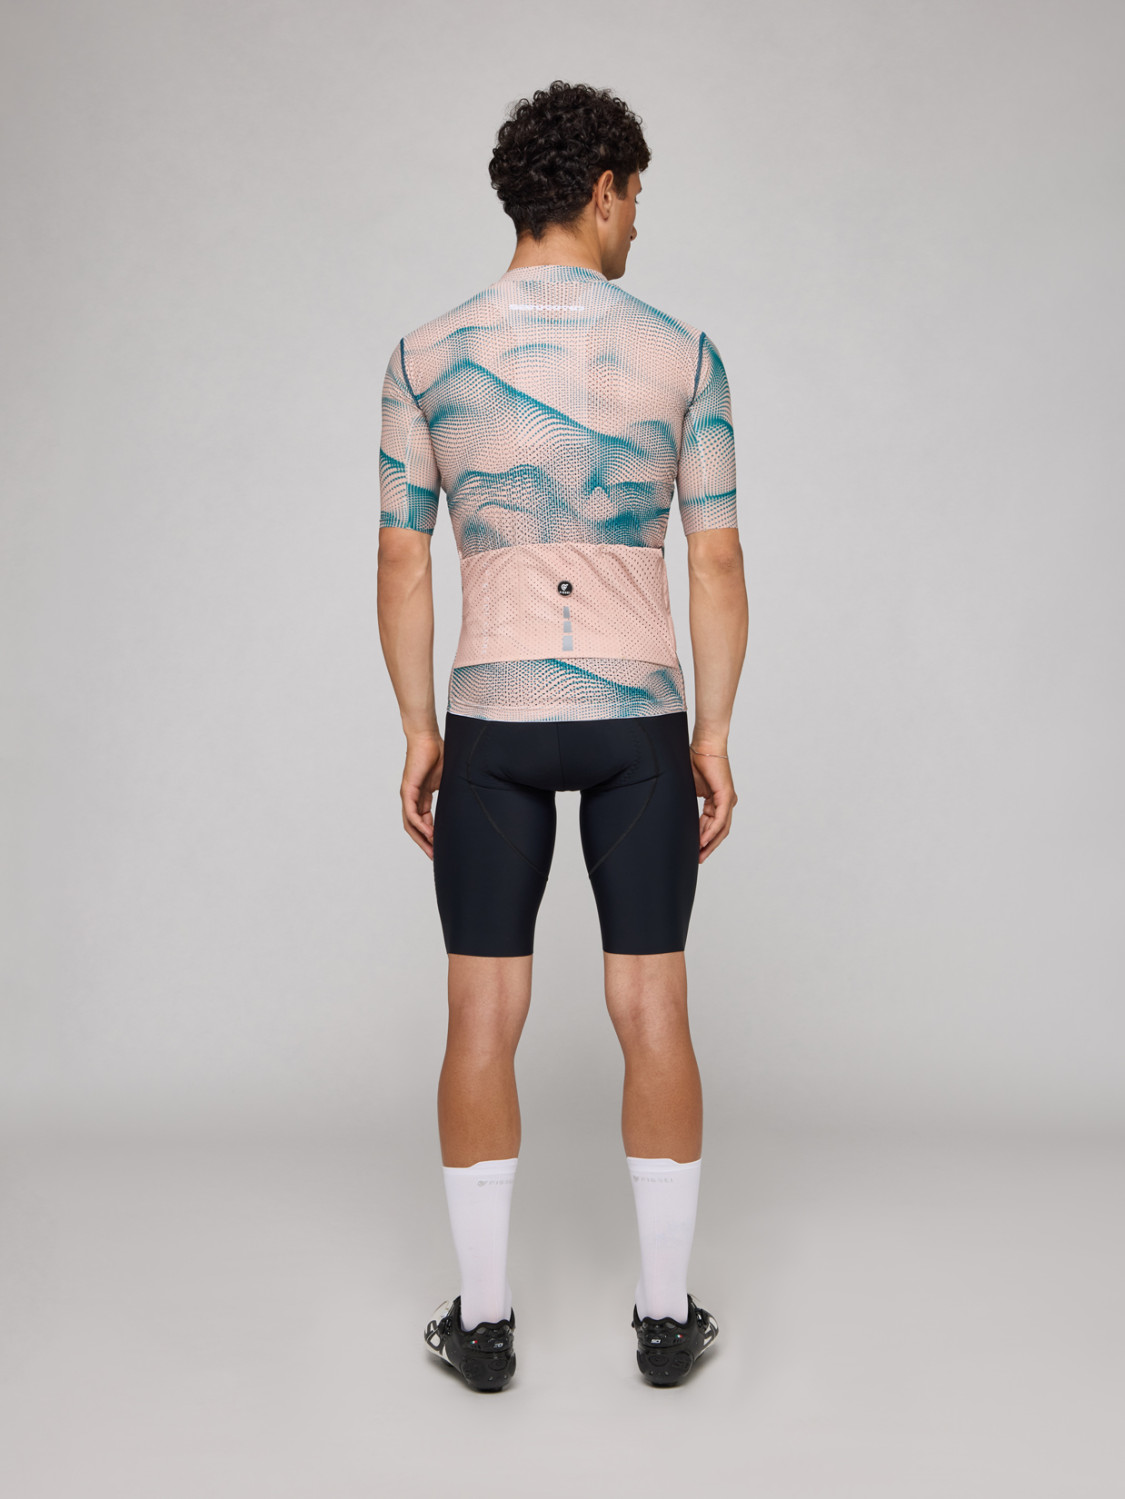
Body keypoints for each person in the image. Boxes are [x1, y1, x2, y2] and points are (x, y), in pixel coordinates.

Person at [377, 80, 746, 1391]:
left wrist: (417, 730)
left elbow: (402, 562)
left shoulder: (425, 356)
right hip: (638, 722)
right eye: (634, 195)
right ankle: (664, 1317)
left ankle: (481, 1327)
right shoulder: (683, 354)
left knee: (481, 1014)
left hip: (492, 718)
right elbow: (715, 562)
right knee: (653, 1006)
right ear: (601, 188)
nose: (638, 220)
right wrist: (714, 735)